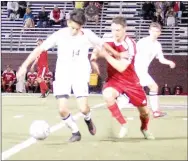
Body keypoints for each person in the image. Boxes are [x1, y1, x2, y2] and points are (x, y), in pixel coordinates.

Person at [17, 9, 123, 142]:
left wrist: (116, 54)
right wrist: (24, 66)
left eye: (77, 29)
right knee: (62, 109)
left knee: (83, 108)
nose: (73, 31)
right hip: (63, 73)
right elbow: (39, 49)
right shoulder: (59, 34)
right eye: (72, 27)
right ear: (68, 22)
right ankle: (75, 132)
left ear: (81, 27)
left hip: (80, 72)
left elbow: (103, 44)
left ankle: (88, 119)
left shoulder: (88, 34)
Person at [91, 16, 155, 140]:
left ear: (125, 29)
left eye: (118, 30)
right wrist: (94, 58)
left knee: (145, 112)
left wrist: (106, 55)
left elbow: (121, 67)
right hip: (114, 79)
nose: (115, 33)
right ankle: (124, 124)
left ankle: (144, 128)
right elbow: (96, 50)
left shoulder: (130, 44)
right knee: (107, 95)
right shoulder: (106, 38)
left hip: (131, 81)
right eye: (113, 30)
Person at [134, 22, 176, 118]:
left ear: (159, 33)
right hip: (137, 69)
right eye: (152, 31)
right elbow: (133, 55)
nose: (154, 33)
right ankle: (155, 112)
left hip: (143, 70)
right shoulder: (142, 42)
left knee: (134, 91)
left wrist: (169, 62)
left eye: (157, 31)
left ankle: (116, 103)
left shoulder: (157, 45)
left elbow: (161, 59)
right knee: (154, 87)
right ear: (149, 31)